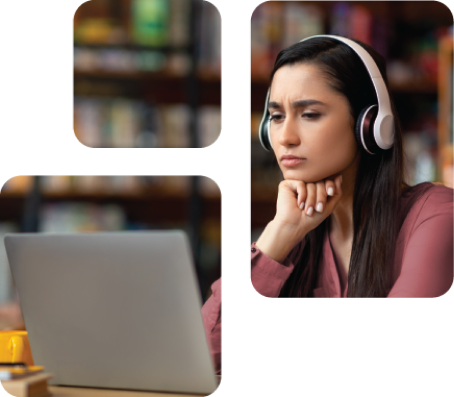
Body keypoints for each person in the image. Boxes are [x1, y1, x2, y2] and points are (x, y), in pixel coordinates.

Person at [201, 36, 454, 397]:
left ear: (369, 125)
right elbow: (209, 356)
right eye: (275, 117)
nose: (285, 137)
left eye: (309, 114)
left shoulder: (437, 216)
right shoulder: (294, 237)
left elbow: (403, 363)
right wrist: (278, 235)